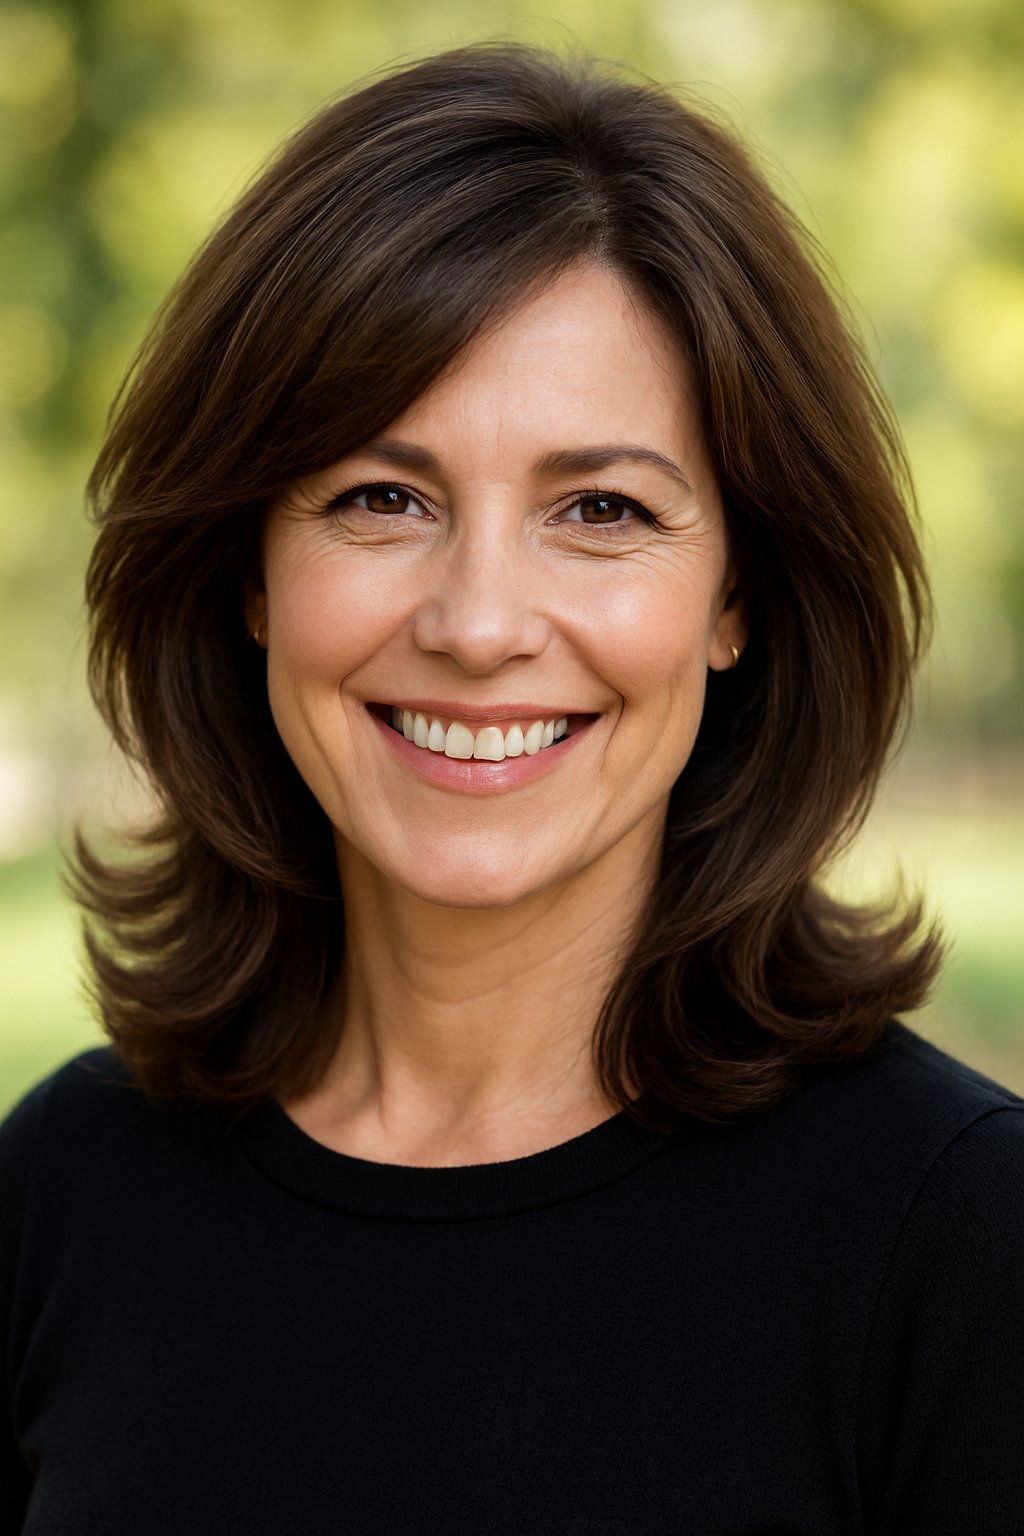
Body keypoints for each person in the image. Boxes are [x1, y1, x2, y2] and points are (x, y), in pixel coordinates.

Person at [1, 41, 1021, 1534]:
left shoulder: (961, 1243)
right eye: (381, 498)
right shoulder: (62, 1188)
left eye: (599, 510)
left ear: (738, 595)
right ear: (247, 574)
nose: (479, 624)